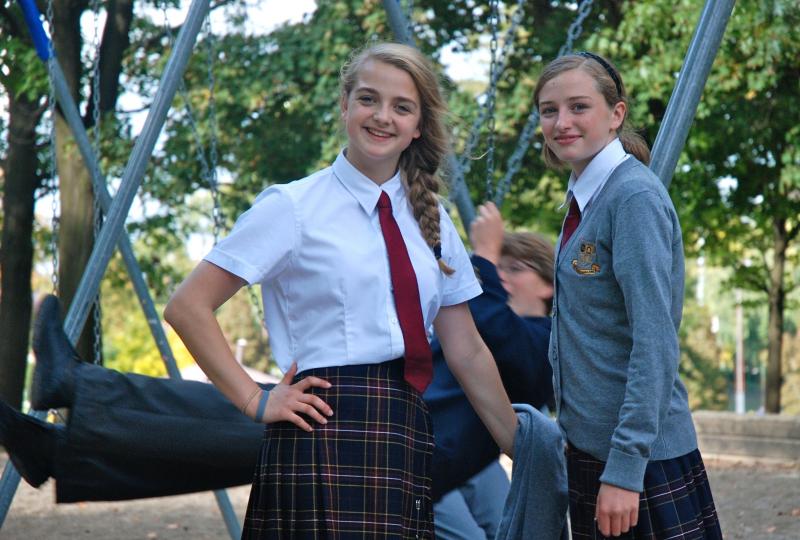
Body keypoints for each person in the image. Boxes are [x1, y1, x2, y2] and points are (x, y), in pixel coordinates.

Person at [0, 204, 554, 539]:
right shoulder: (507, 327)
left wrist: (481, 254)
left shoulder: (545, 342)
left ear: (548, 284)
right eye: (498, 266)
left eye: (513, 269)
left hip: (394, 453)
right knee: (212, 446)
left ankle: (71, 387)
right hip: (372, 430)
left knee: (221, 416)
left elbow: (488, 332)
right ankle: (52, 451)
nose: (498, 276)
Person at [161, 41, 516, 538]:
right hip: (320, 427)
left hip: (406, 426)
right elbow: (187, 306)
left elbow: (467, 349)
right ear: (345, 105)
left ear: (418, 125)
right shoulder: (293, 206)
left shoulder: (435, 221)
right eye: (369, 99)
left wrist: (518, 444)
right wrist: (255, 400)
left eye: (402, 107)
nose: (382, 116)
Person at [534, 51, 723, 539]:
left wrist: (624, 469)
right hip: (596, 453)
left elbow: (655, 341)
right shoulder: (585, 196)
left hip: (638, 463)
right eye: (549, 110)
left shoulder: (632, 198)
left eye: (579, 107)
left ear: (616, 115)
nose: (562, 122)